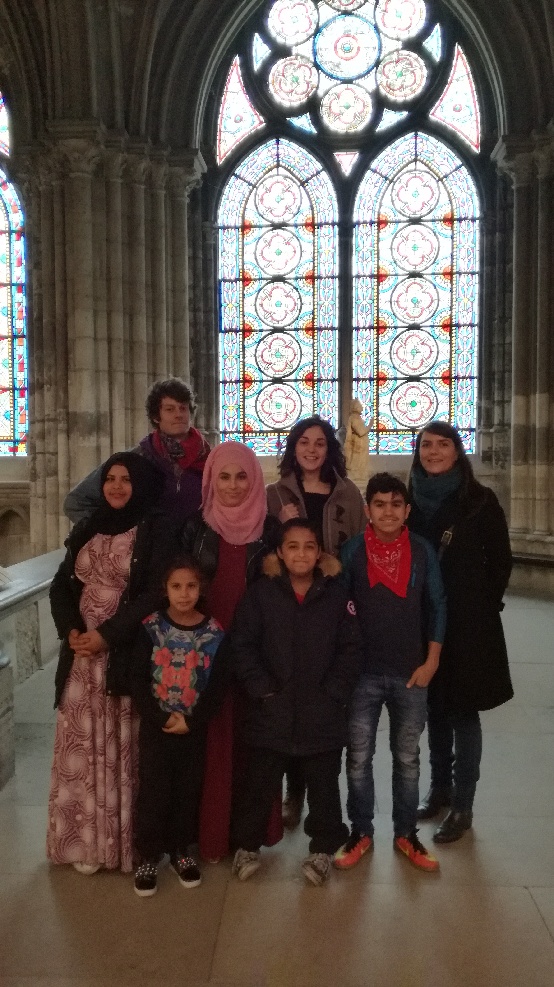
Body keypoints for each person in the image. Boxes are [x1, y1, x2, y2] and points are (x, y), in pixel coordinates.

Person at [47, 452, 174, 874]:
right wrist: (71, 630)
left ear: (140, 485)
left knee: (122, 745)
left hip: (124, 652)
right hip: (82, 655)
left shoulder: (154, 527)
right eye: (110, 479)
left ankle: (122, 843)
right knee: (83, 744)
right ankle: (85, 842)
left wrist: (107, 635)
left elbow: (154, 593)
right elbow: (61, 585)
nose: (117, 486)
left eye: (126, 479)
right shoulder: (88, 525)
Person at [231, 519, 361, 886]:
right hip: (271, 710)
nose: (301, 554)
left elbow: (351, 649)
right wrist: (261, 689)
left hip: (322, 712)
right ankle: (247, 846)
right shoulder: (261, 594)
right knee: (259, 783)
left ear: (319, 553)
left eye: (308, 547)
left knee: (323, 786)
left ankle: (322, 848)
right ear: (279, 552)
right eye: (292, 546)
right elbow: (243, 645)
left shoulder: (336, 595)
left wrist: (333, 692)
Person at [335, 473, 446, 873]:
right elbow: (339, 608)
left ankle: (405, 833)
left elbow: (437, 604)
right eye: (379, 504)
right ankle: (361, 831)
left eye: (396, 505)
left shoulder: (422, 550)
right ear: (368, 509)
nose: (387, 512)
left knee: (408, 758)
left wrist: (431, 661)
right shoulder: (352, 551)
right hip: (363, 674)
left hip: (410, 673)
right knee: (358, 757)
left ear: (407, 510)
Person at [408, 421, 513, 843]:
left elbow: (500, 561)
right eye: (426, 445)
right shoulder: (409, 501)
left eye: (442, 444)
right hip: (423, 622)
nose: (433, 452)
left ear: (457, 451)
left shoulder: (480, 501)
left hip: (469, 626)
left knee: (463, 714)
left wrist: (481, 608)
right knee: (434, 708)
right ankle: (440, 790)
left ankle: (464, 805)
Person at [180, 441, 281, 860]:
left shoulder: (271, 530)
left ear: (254, 479)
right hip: (206, 650)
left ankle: (249, 833)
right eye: (224, 476)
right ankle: (210, 834)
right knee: (211, 742)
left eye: (242, 476)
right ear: (211, 480)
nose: (234, 485)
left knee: (254, 743)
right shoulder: (196, 528)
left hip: (257, 651)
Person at [266, 415, 366, 827]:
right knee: (292, 692)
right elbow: (266, 548)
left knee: (324, 699)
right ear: (294, 447)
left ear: (330, 449)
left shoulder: (349, 494)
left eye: (320, 443)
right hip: (288, 603)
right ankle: (294, 791)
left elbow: (357, 551)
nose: (311, 449)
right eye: (304, 442)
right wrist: (282, 522)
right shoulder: (274, 494)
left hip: (332, 603)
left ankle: (322, 788)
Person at [131, 557, 228, 897]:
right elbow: (137, 679)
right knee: (154, 792)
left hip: (192, 729)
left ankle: (180, 851)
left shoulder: (214, 633)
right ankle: (148, 855)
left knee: (187, 791)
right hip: (156, 728)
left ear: (201, 589)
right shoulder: (151, 628)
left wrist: (192, 720)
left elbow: (218, 686)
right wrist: (160, 718)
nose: (184, 594)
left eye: (191, 586)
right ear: (165, 590)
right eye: (176, 586)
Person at [64, 378, 210, 523]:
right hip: (150, 538)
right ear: (156, 417)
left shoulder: (209, 458)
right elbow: (76, 502)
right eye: (169, 409)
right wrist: (112, 532)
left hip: (196, 538)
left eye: (183, 408)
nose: (178, 414)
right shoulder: (136, 458)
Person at [344, 398, 372, 480]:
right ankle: (357, 477)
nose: (362, 408)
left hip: (361, 446)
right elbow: (361, 432)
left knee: (362, 464)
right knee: (357, 464)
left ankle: (360, 476)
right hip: (357, 447)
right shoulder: (354, 418)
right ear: (356, 407)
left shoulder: (357, 418)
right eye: (360, 406)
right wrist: (370, 425)